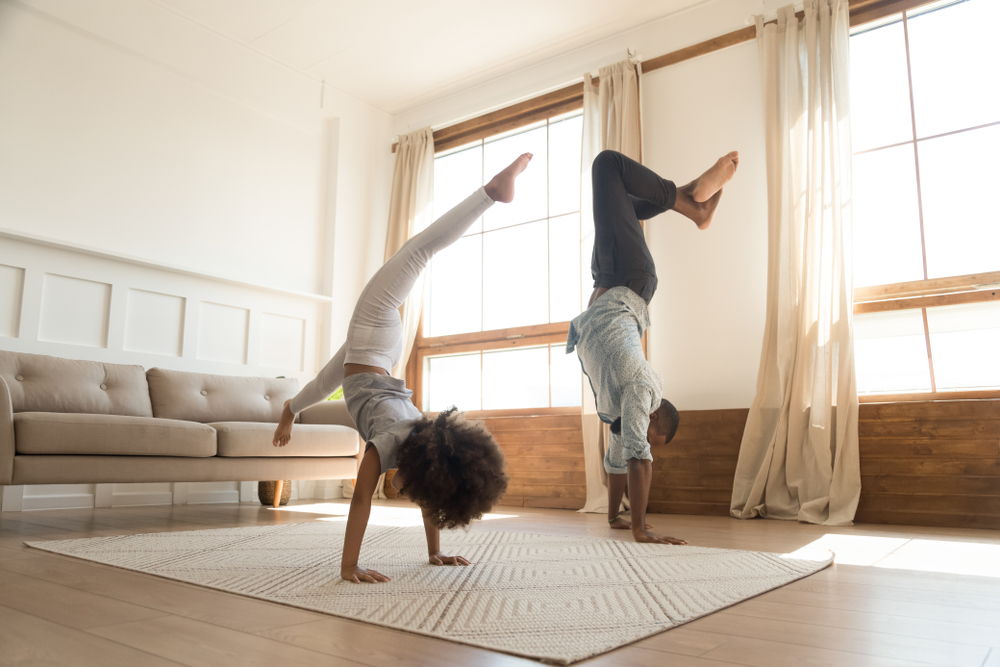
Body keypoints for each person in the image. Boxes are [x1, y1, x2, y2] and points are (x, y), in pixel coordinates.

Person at [272, 153, 533, 583]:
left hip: (371, 362)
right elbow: (391, 500)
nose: (419, 496)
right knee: (418, 251)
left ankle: (290, 408)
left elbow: (384, 500)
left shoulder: (409, 440)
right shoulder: (403, 438)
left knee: (326, 378)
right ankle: (492, 193)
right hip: (377, 354)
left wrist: (422, 555)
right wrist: (370, 563)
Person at [567, 149, 738, 546]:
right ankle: (693, 206)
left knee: (621, 200)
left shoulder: (616, 415)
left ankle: (685, 197)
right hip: (631, 281)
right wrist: (640, 529)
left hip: (608, 276)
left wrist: (615, 518)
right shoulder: (644, 390)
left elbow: (616, 465)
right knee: (606, 164)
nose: (637, 434)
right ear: (654, 412)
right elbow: (638, 458)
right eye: (647, 430)